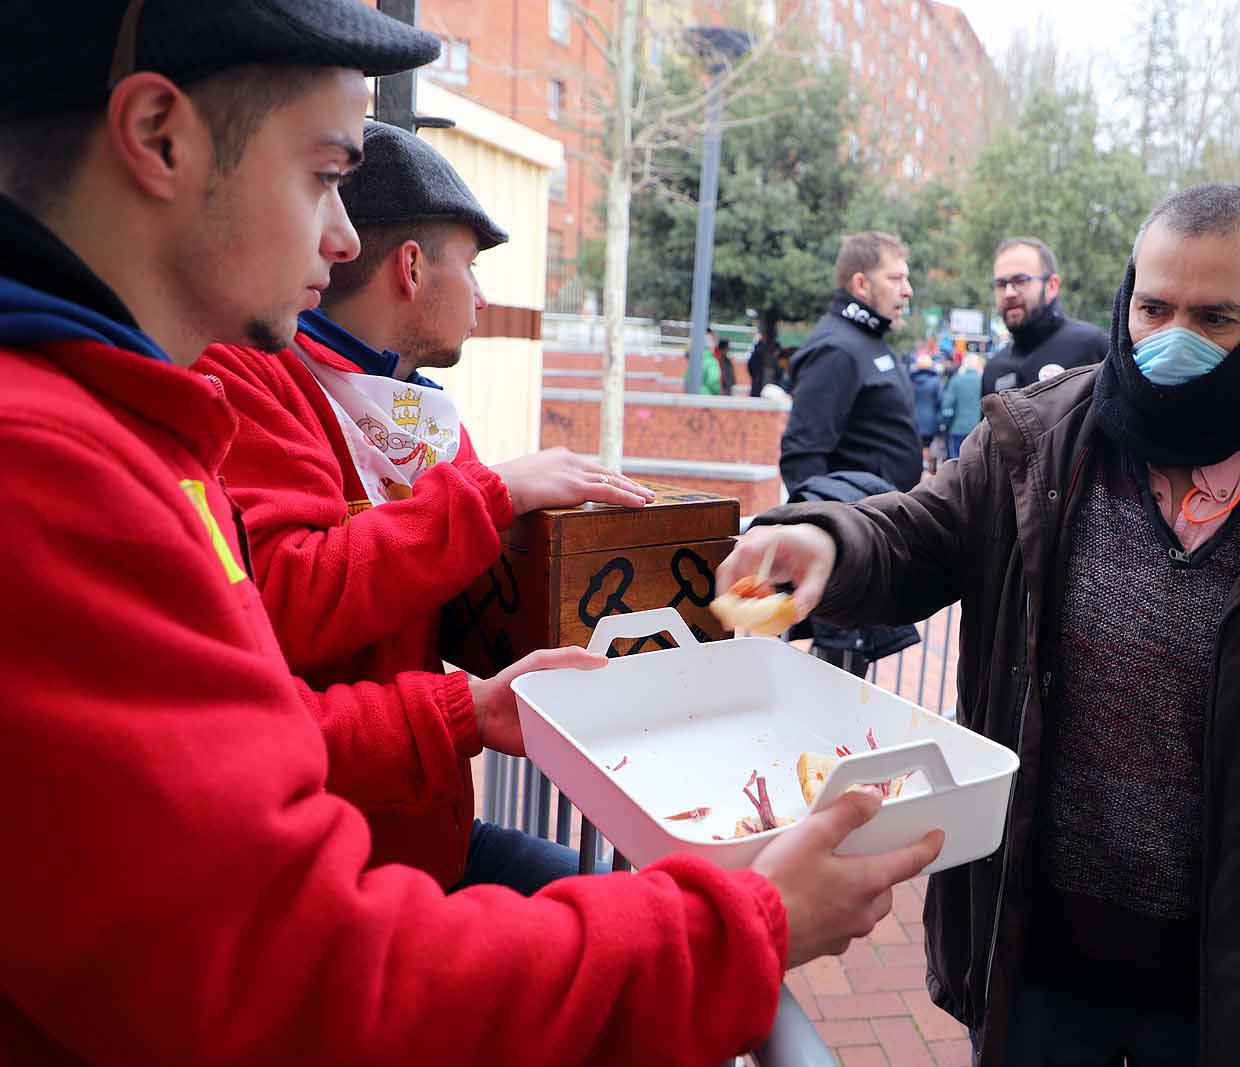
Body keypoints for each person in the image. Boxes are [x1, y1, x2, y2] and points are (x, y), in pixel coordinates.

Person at [0, 3, 942, 1061]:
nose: (346, 237)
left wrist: (460, 705)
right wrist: (741, 924)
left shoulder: (131, 431)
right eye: (321, 173)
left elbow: (226, 749)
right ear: (159, 137)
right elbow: (302, 972)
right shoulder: (49, 470)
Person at [722, 185, 1240, 1067]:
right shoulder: (1036, 438)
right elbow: (919, 531)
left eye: (1217, 316)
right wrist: (826, 539)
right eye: (1154, 306)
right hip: (1038, 951)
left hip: (1228, 973)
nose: (1174, 338)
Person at [195, 120, 657, 894]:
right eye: (471, 266)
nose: (481, 296)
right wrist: (496, 494)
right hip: (337, 856)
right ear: (410, 267)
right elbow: (286, 591)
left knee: (638, 898)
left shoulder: (416, 414)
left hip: (421, 819)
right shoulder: (258, 378)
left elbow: (457, 563)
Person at [779, 231, 922, 493]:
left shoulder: (868, 339)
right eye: (895, 279)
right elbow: (802, 460)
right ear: (861, 285)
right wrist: (837, 526)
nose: (907, 291)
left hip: (887, 518)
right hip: (861, 525)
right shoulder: (835, 349)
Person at [981, 237, 1110, 396]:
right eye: (1001, 284)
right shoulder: (994, 369)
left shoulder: (1092, 347)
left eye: (1020, 280)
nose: (1009, 293)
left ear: (1052, 285)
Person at [939, 352, 983, 460]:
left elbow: (947, 406)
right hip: (979, 430)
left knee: (956, 464)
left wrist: (944, 423)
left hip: (957, 429)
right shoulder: (982, 380)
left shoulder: (956, 381)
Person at [910, 349, 943, 472]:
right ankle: (928, 472)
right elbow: (940, 400)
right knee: (929, 446)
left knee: (917, 446)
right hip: (931, 420)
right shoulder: (935, 382)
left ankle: (918, 470)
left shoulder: (910, 380)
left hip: (914, 420)